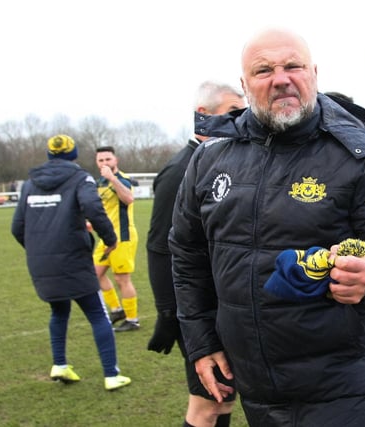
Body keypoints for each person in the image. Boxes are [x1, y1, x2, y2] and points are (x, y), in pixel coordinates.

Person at [169, 28, 365, 426]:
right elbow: (188, 256)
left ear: (314, 73)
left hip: (343, 384)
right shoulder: (209, 159)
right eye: (263, 70)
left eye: (293, 66)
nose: (281, 78)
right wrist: (201, 342)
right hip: (254, 379)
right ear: (244, 84)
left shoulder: (361, 157)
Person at [146, 81, 245, 427]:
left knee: (223, 399)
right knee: (206, 406)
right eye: (233, 111)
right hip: (197, 315)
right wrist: (169, 314)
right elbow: (160, 248)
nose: (241, 119)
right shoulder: (180, 171)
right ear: (203, 115)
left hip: (224, 309)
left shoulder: (224, 160)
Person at [11, 134, 131, 390]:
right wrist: (109, 239)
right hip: (74, 260)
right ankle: (111, 374)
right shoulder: (80, 178)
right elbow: (92, 207)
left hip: (41, 263)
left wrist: (37, 250)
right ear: (73, 154)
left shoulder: (30, 182)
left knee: (58, 310)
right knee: (98, 314)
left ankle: (60, 364)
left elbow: (17, 227)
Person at [93, 146, 140, 332]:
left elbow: (128, 199)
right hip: (105, 237)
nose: (104, 163)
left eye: (107, 159)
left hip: (123, 237)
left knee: (122, 279)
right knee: (94, 274)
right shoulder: (99, 184)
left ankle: (132, 319)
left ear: (116, 160)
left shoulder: (122, 180)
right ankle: (117, 309)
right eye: (101, 160)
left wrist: (112, 178)